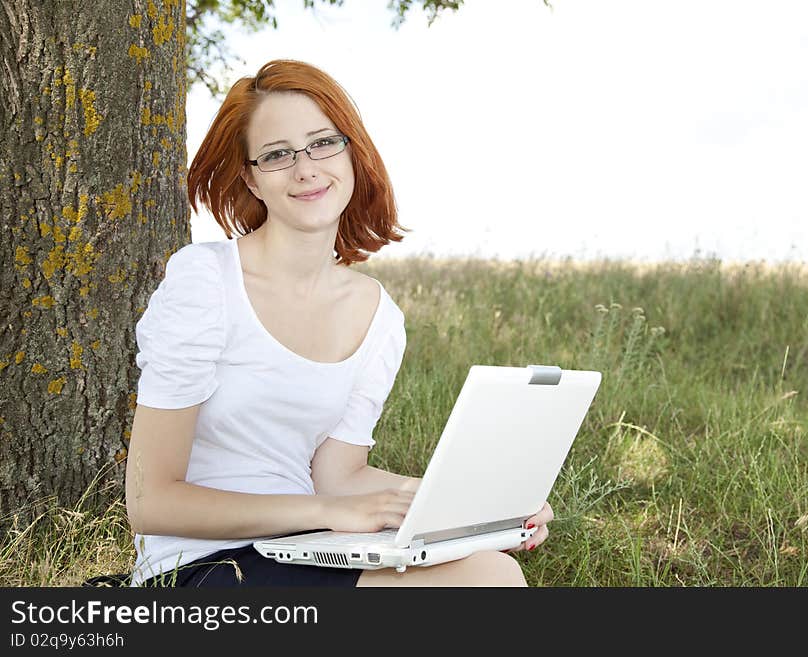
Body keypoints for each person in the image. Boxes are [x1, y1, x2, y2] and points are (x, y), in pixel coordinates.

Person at [125, 59, 554, 587]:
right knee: (488, 581)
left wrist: (483, 504)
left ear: (353, 154)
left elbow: (340, 476)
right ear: (252, 179)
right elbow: (150, 501)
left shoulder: (376, 314)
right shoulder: (205, 284)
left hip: (305, 548)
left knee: (492, 566)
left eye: (323, 143)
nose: (306, 169)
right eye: (278, 154)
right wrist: (326, 513)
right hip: (201, 567)